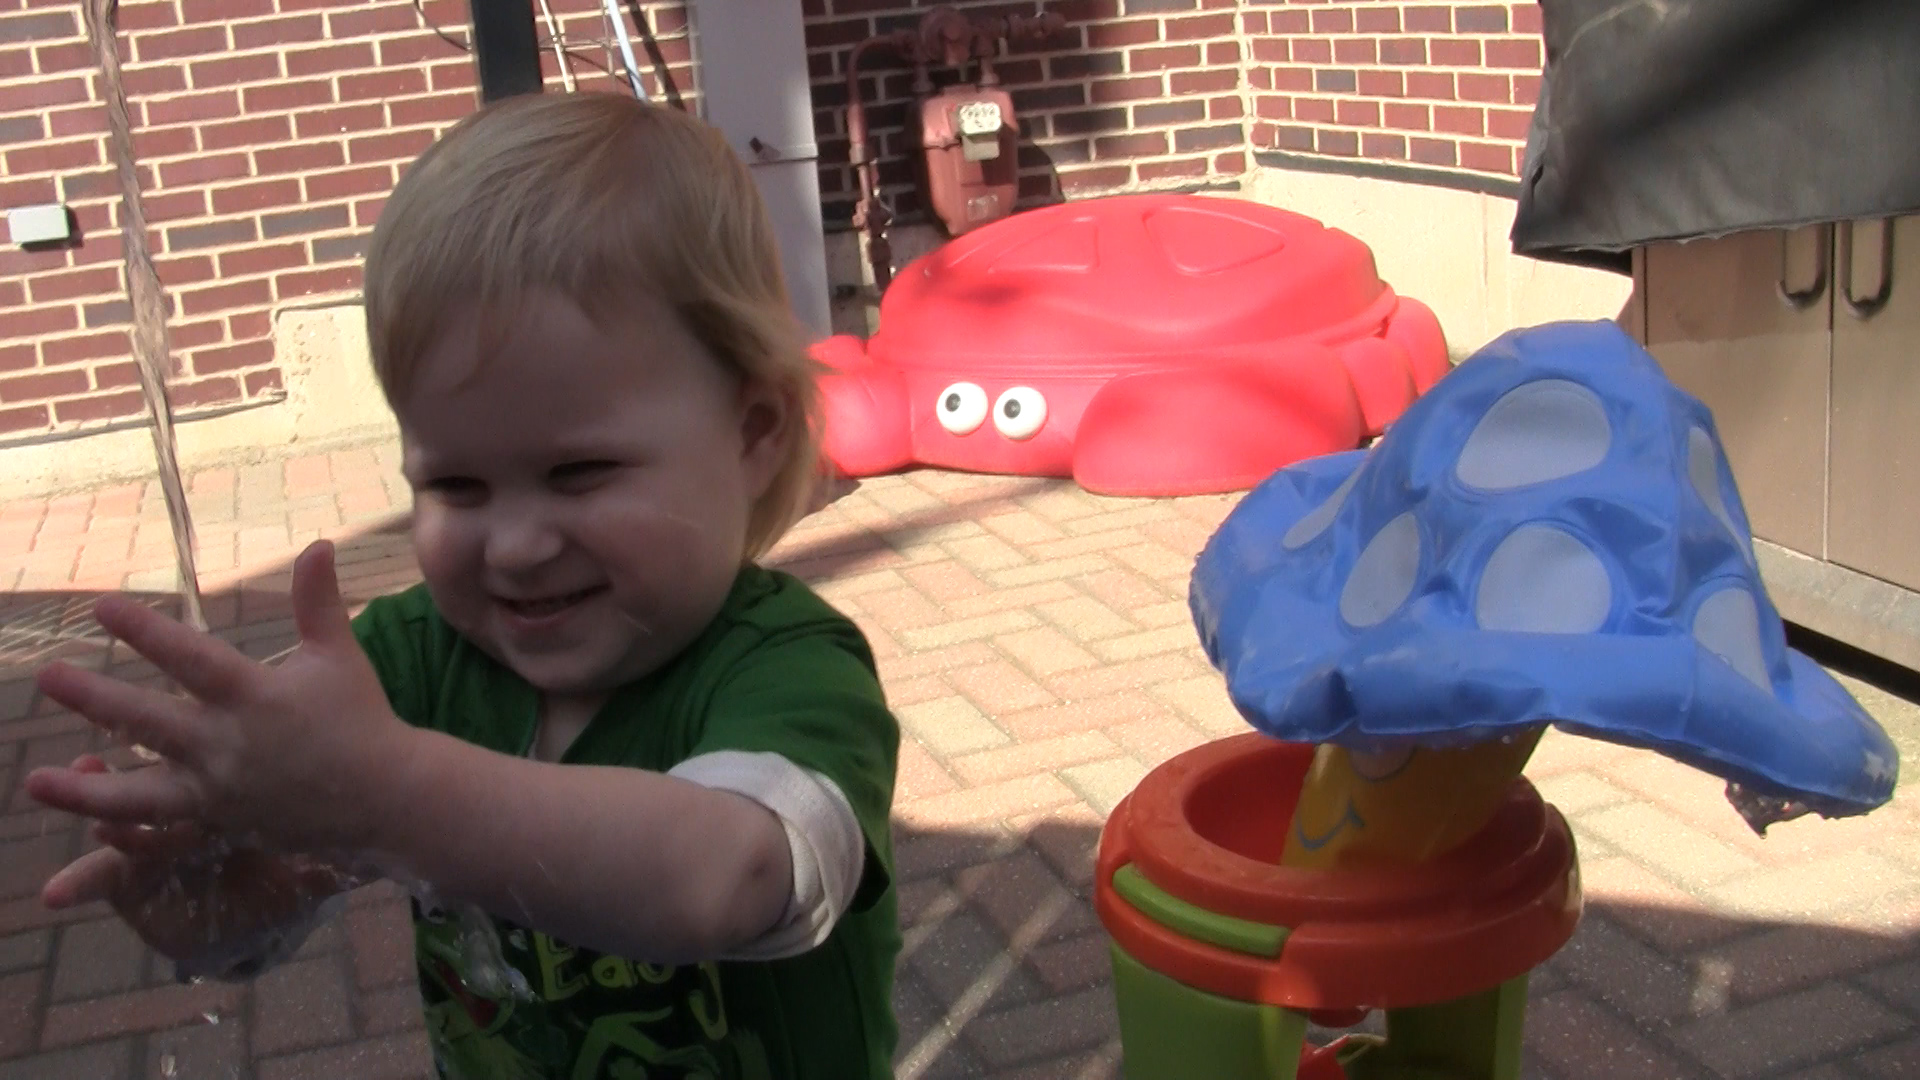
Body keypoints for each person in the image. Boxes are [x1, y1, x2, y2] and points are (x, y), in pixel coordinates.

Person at [25, 92, 902, 1080]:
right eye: (455, 486)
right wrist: (219, 909)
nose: (516, 547)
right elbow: (293, 877)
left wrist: (385, 794)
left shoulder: (789, 669)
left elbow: (725, 879)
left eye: (578, 472)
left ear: (754, 434)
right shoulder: (408, 661)